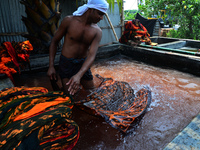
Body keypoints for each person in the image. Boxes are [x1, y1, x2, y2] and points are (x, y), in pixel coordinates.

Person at [47, 0, 109, 96]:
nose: (101, 18)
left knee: (92, 94)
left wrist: (79, 75)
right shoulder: (69, 21)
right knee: (70, 96)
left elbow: (92, 55)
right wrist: (51, 66)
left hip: (83, 64)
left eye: (103, 15)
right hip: (66, 63)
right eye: (100, 14)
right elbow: (54, 42)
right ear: (91, 9)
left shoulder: (97, 31)